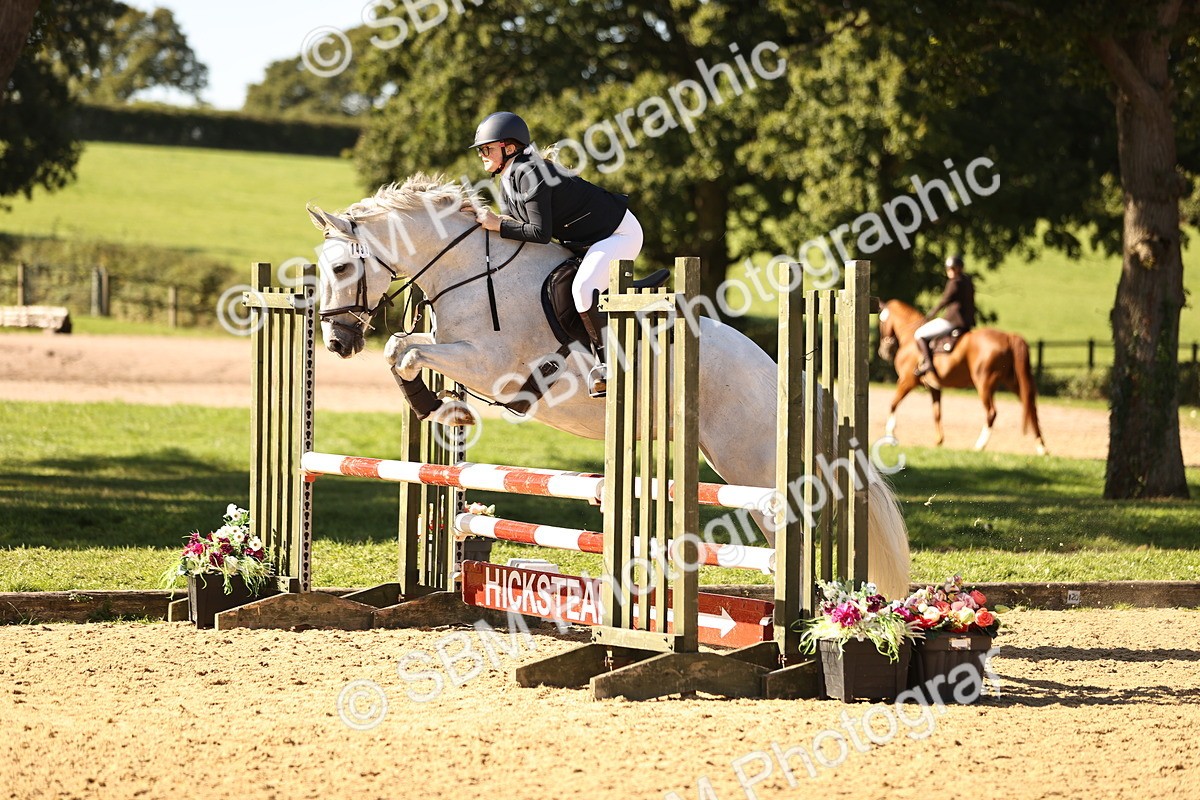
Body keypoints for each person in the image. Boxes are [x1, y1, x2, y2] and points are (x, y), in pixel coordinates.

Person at [470, 112, 642, 397]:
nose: (482, 155)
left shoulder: (531, 173)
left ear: (508, 148)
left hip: (618, 235)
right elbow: (516, 226)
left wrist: (497, 223)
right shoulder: (510, 178)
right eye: (481, 150)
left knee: (583, 289)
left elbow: (539, 233)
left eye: (486, 148)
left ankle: (611, 367)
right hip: (586, 241)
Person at [914, 254, 976, 376]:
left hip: (952, 321)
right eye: (949, 269)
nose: (950, 272)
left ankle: (928, 363)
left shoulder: (954, 282)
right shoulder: (968, 281)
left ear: (958, 269)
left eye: (952, 269)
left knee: (919, 334)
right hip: (968, 322)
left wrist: (931, 314)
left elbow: (944, 300)